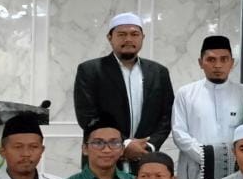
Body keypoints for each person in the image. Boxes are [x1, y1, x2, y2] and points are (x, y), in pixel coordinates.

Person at [72, 12, 175, 170]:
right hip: (104, 158)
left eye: (134, 34)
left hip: (145, 160)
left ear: (142, 37)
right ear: (110, 37)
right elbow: (87, 116)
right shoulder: (90, 70)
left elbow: (167, 116)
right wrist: (124, 144)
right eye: (122, 34)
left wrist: (149, 146)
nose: (128, 39)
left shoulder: (158, 72)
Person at [170, 35, 243, 179]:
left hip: (234, 176)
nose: (218, 65)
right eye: (211, 59)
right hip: (194, 178)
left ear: (232, 62)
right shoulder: (186, 93)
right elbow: (178, 133)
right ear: (200, 62)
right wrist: (209, 158)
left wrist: (229, 160)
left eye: (223, 59)